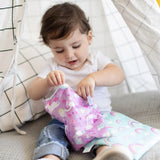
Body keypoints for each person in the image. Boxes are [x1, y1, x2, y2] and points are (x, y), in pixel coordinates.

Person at [27, 2, 133, 160]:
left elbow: (118, 74)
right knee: (51, 133)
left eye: (76, 46)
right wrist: (47, 82)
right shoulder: (53, 66)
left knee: (106, 131)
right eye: (59, 50)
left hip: (97, 117)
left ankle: (105, 151)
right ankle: (51, 155)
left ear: (89, 38)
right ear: (50, 47)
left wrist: (93, 78)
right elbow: (33, 93)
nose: (69, 55)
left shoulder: (95, 60)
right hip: (63, 122)